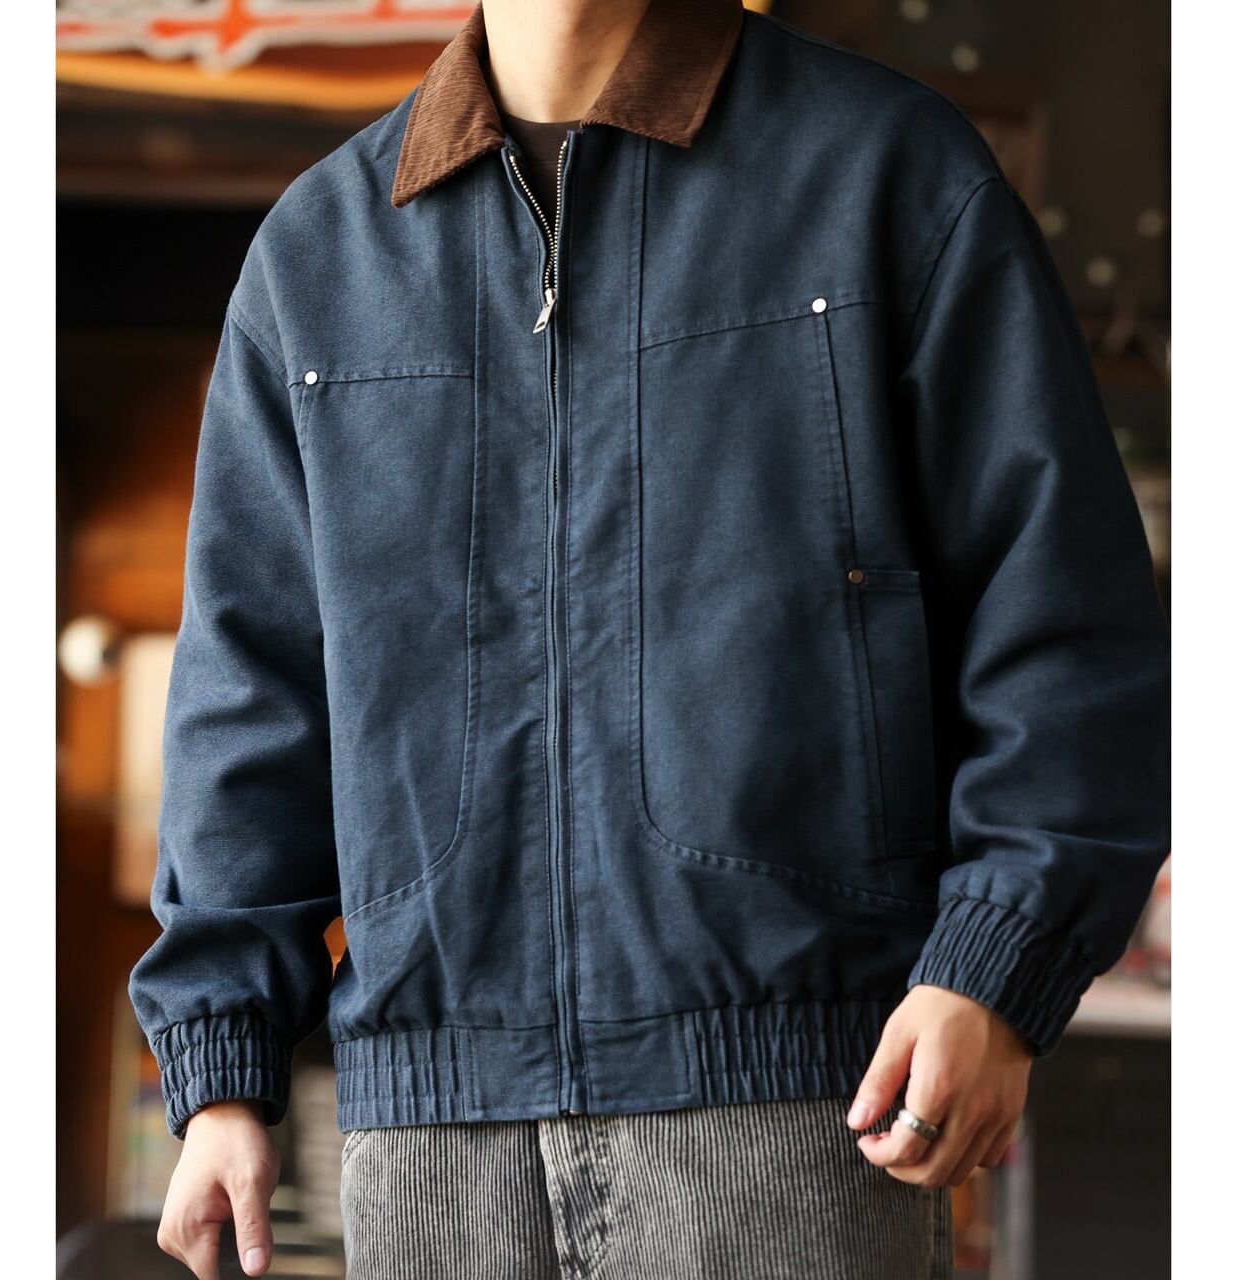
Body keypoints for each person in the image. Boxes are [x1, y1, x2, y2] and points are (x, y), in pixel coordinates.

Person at [130, 1, 1171, 1277]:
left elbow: (1059, 609)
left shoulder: (880, 172)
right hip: (431, 1142)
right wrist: (221, 1061)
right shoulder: (321, 252)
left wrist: (996, 964)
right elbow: (250, 687)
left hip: (796, 1111)